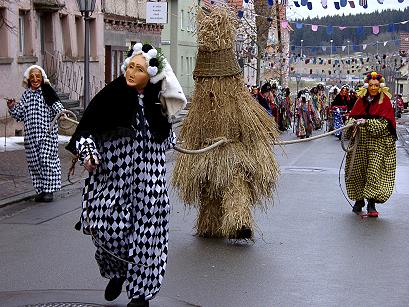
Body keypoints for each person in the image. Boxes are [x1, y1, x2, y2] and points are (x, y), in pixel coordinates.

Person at [66, 43, 186, 307]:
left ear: (151, 74)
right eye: (130, 66)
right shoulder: (110, 96)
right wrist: (88, 154)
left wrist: (167, 135)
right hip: (113, 180)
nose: (132, 72)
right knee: (108, 231)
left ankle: (141, 294)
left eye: (139, 68)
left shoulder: (159, 101)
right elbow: (87, 131)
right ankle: (118, 272)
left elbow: (166, 137)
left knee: (148, 237)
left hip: (149, 183)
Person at [6, 65, 64, 202]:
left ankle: (49, 191)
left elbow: (58, 107)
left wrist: (61, 114)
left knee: (46, 161)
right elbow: (19, 114)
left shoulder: (47, 92)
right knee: (34, 163)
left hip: (47, 135)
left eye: (38, 77)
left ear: (42, 78)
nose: (35, 80)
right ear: (28, 79)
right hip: (31, 137)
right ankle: (41, 190)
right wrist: (12, 107)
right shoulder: (26, 95)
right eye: (32, 77)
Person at [345, 72, 396, 217]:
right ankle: (359, 200)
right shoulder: (360, 100)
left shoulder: (384, 101)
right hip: (360, 142)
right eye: (371, 85)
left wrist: (367, 122)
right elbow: (352, 117)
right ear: (367, 86)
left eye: (376, 85)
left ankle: (371, 204)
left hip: (377, 143)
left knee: (373, 172)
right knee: (357, 170)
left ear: (380, 86)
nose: (373, 88)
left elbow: (385, 124)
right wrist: (352, 123)